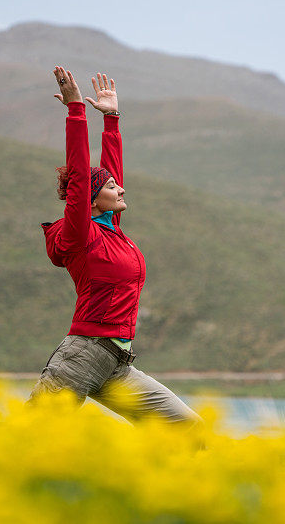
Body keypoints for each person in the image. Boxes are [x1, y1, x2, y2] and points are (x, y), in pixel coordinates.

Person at [26, 66, 203, 431]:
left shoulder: (112, 231)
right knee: (28, 438)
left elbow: (111, 172)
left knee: (188, 428)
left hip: (117, 364)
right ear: (90, 200)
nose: (120, 189)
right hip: (82, 356)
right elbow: (80, 177)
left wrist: (112, 120)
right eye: (110, 187)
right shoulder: (81, 233)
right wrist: (76, 112)